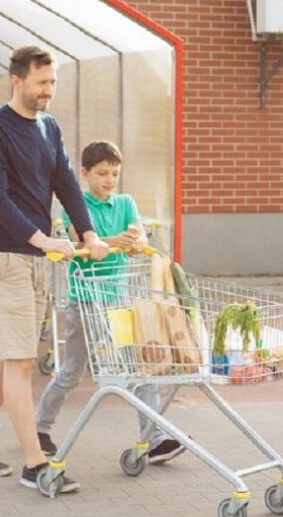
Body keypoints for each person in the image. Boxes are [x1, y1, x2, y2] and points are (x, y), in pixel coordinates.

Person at [0, 45, 109, 494]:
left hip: (40, 257)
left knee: (10, 353)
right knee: (21, 362)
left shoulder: (49, 125)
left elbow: (64, 181)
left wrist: (89, 234)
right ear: (16, 80)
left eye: (54, 82)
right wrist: (39, 239)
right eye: (42, 82)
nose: (49, 91)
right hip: (7, 257)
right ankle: (35, 464)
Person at [35, 140, 185, 465]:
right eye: (102, 173)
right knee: (73, 372)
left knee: (138, 366)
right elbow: (79, 241)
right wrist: (115, 242)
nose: (109, 180)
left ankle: (154, 438)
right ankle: (39, 428)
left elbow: (139, 235)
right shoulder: (74, 205)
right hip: (86, 302)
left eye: (115, 173)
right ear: (85, 173)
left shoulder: (126, 203)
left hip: (119, 299)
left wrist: (135, 242)